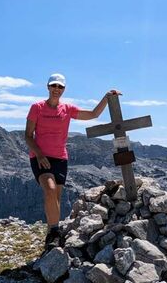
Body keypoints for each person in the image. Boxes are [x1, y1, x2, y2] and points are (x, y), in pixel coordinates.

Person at [25, 73, 121, 250]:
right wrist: (39, 154)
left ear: (64, 89)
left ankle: (52, 232)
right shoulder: (37, 108)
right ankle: (53, 232)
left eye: (60, 87)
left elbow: (93, 114)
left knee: (57, 197)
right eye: (53, 86)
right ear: (48, 87)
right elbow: (28, 135)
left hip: (60, 157)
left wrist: (107, 98)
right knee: (50, 190)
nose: (56, 89)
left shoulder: (67, 109)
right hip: (40, 157)